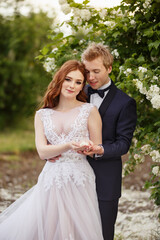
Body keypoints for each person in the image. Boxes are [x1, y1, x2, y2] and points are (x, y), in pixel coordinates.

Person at [0, 60, 104, 240]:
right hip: (51, 177)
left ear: (82, 87)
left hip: (80, 177)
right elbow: (42, 152)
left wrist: (88, 147)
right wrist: (68, 145)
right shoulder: (42, 115)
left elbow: (97, 147)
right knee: (48, 228)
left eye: (78, 82)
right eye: (68, 79)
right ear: (60, 79)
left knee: (80, 229)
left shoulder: (90, 110)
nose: (72, 85)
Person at [81, 43, 137, 240]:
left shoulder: (125, 103)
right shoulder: (76, 94)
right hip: (75, 174)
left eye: (96, 71)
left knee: (104, 233)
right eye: (87, 71)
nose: (91, 77)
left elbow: (123, 143)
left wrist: (100, 149)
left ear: (109, 68)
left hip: (106, 178)